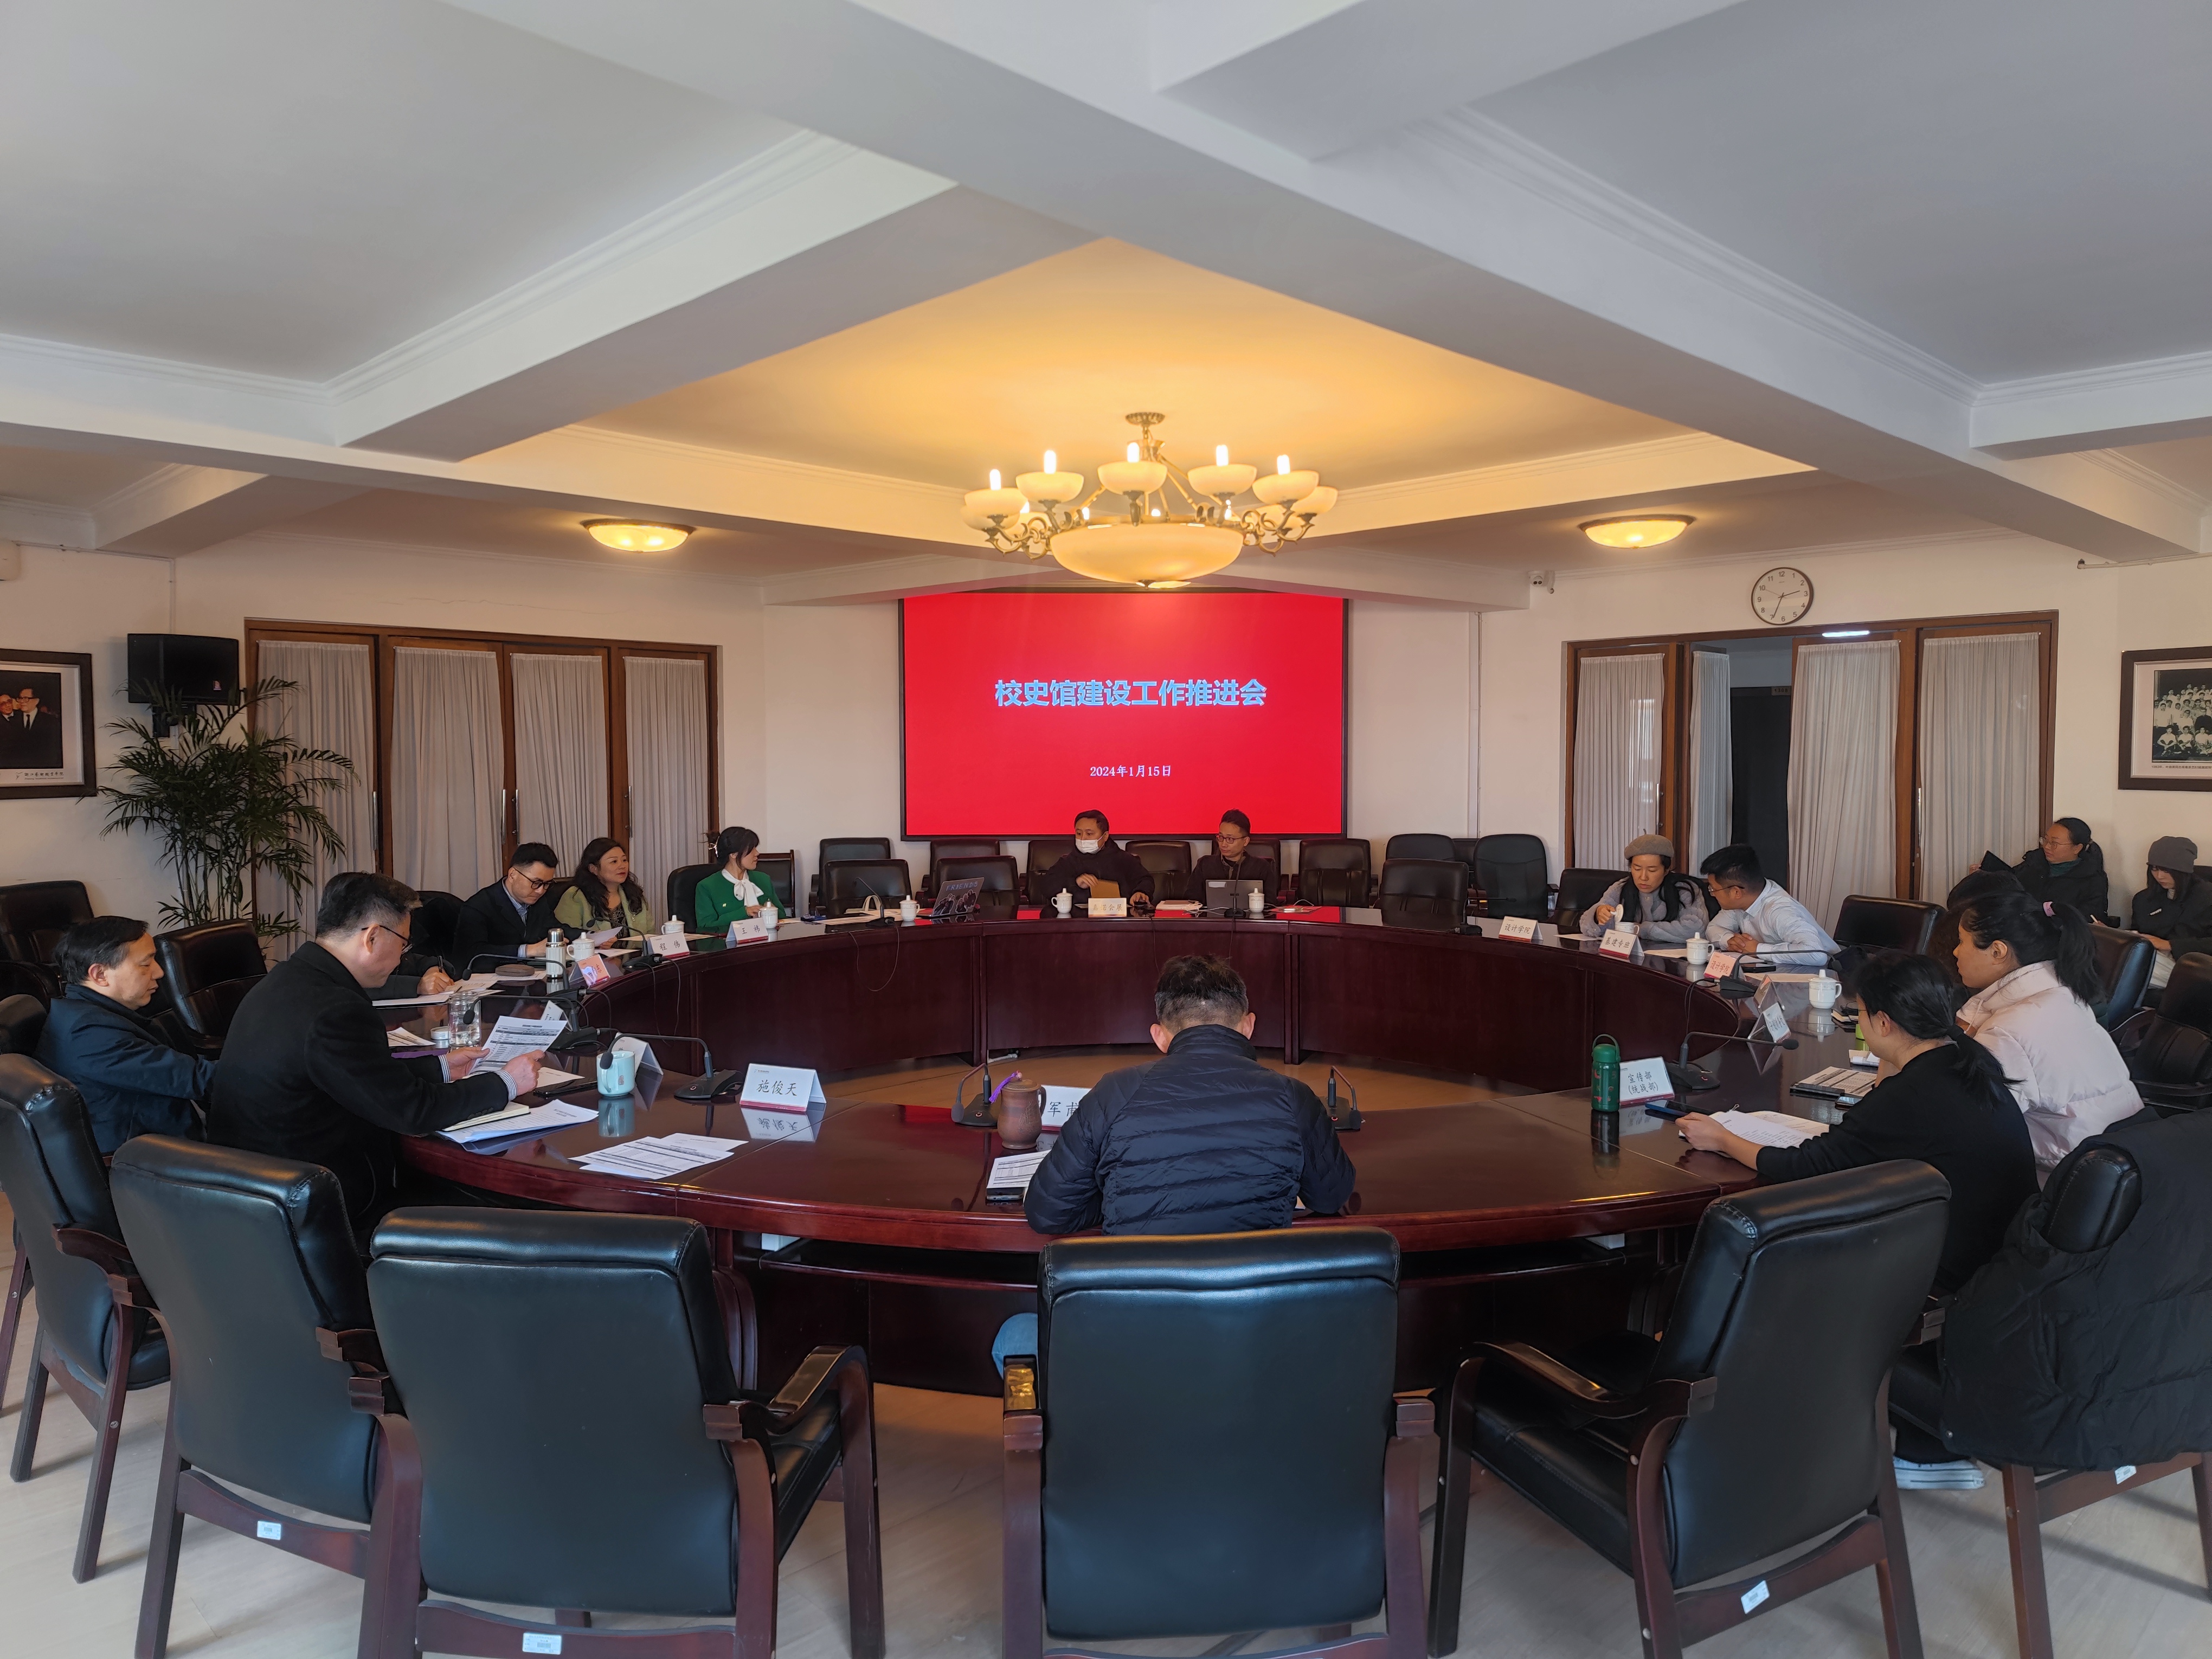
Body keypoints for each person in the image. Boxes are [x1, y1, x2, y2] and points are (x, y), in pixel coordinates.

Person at [1683, 951, 2039, 1490]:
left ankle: (1786, 1436)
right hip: (1997, 1258)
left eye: (1862, 1015)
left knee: (1775, 1264)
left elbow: (1807, 1166)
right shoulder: (1962, 1061)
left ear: (1884, 1023)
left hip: (1953, 1273)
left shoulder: (1918, 1092)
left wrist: (1723, 1138)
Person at [208, 872, 543, 1231]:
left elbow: (361, 1075)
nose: (401, 958)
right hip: (324, 1208)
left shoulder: (285, 981)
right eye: (403, 944)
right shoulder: (336, 1011)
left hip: (258, 1197)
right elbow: (414, 1112)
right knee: (512, 1214)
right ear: (372, 937)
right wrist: (505, 1082)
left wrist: (442, 1068)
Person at [1024, 954, 1356, 1236]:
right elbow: (1331, 1198)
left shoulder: (1115, 1093)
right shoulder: (1293, 1097)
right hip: (1256, 1293)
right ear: (1248, 1027)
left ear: (1159, 1037)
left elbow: (1048, 1213)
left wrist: (1120, 1198)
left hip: (1138, 1292)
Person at [1952, 888, 2139, 1171]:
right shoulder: (2063, 995)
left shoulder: (2008, 1030)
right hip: (2115, 1159)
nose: (1955, 952)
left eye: (1961, 941)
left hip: (2066, 1177)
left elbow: (1971, 1124)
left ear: (1998, 951)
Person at [35, 916, 216, 1153]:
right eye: (146, 964)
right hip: (154, 1154)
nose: (159, 972)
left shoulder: (82, 1012)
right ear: (100, 975)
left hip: (162, 1129)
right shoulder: (91, 1036)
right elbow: (197, 1080)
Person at [1697, 844, 1837, 967]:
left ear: (1736, 892)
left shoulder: (1779, 910)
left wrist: (1758, 950)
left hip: (1828, 974)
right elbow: (1714, 928)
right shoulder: (1742, 902)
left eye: (1713, 889)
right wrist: (1730, 941)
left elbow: (1816, 954)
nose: (1712, 894)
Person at [1578, 834, 1709, 944]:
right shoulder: (1621, 888)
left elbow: (1695, 930)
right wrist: (1598, 914)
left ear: (1666, 870)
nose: (1643, 877)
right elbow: (1585, 926)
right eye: (1637, 869)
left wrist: (1642, 930)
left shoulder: (1684, 890)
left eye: (1652, 870)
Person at [451, 843, 560, 966]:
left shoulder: (538, 900)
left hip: (530, 973)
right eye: (536, 882)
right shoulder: (479, 906)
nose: (541, 891)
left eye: (547, 884)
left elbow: (555, 928)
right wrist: (528, 950)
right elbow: (472, 955)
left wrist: (579, 940)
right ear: (513, 875)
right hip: (490, 975)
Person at [2127, 836, 2212, 982]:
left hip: (2191, 965)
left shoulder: (2207, 898)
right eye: (2154, 869)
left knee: (2127, 968)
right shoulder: (2143, 899)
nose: (2159, 876)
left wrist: (2169, 945)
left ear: (2183, 871)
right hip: (2153, 957)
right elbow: (2137, 933)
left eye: (2167, 871)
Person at [1037, 809, 1155, 908]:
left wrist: (1141, 892)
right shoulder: (1068, 861)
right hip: (1077, 921)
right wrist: (1075, 883)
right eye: (1079, 834)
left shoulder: (1124, 859)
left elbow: (1145, 880)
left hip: (1117, 921)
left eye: (1089, 834)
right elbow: (1046, 887)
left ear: (1105, 836)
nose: (1083, 839)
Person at [2010, 818, 2110, 922]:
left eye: (2054, 843)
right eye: (2046, 840)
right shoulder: (2033, 862)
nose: (2047, 847)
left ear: (2077, 848)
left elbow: (2088, 919)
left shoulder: (2093, 879)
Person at [555, 836, 654, 936]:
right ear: (594, 869)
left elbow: (650, 933)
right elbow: (566, 935)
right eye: (614, 862)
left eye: (624, 860)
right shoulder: (575, 897)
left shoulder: (633, 894)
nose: (623, 866)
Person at [696, 826, 772, 930]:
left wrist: (772, 911)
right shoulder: (706, 886)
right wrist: (744, 912)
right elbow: (705, 927)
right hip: (726, 941)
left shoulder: (763, 879)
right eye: (751, 849)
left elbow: (783, 917)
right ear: (734, 854)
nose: (757, 853)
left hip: (766, 939)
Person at [1189, 810, 1276, 895]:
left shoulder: (1262, 868)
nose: (1223, 844)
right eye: (1221, 837)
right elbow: (1191, 899)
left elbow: (1270, 901)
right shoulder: (1204, 865)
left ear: (1245, 841)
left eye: (1230, 839)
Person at [1, 682, 64, 770]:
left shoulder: (50, 721)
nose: (22, 701)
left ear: (36, 701)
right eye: (20, 698)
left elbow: (54, 751)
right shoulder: (12, 719)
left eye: (26, 698)